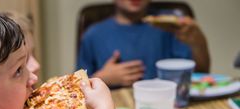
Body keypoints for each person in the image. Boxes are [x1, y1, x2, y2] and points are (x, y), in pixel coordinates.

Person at [77, 0, 210, 88]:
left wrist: (199, 43)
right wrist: (101, 78)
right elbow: (77, 89)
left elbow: (200, 74)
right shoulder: (93, 35)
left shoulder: (169, 27)